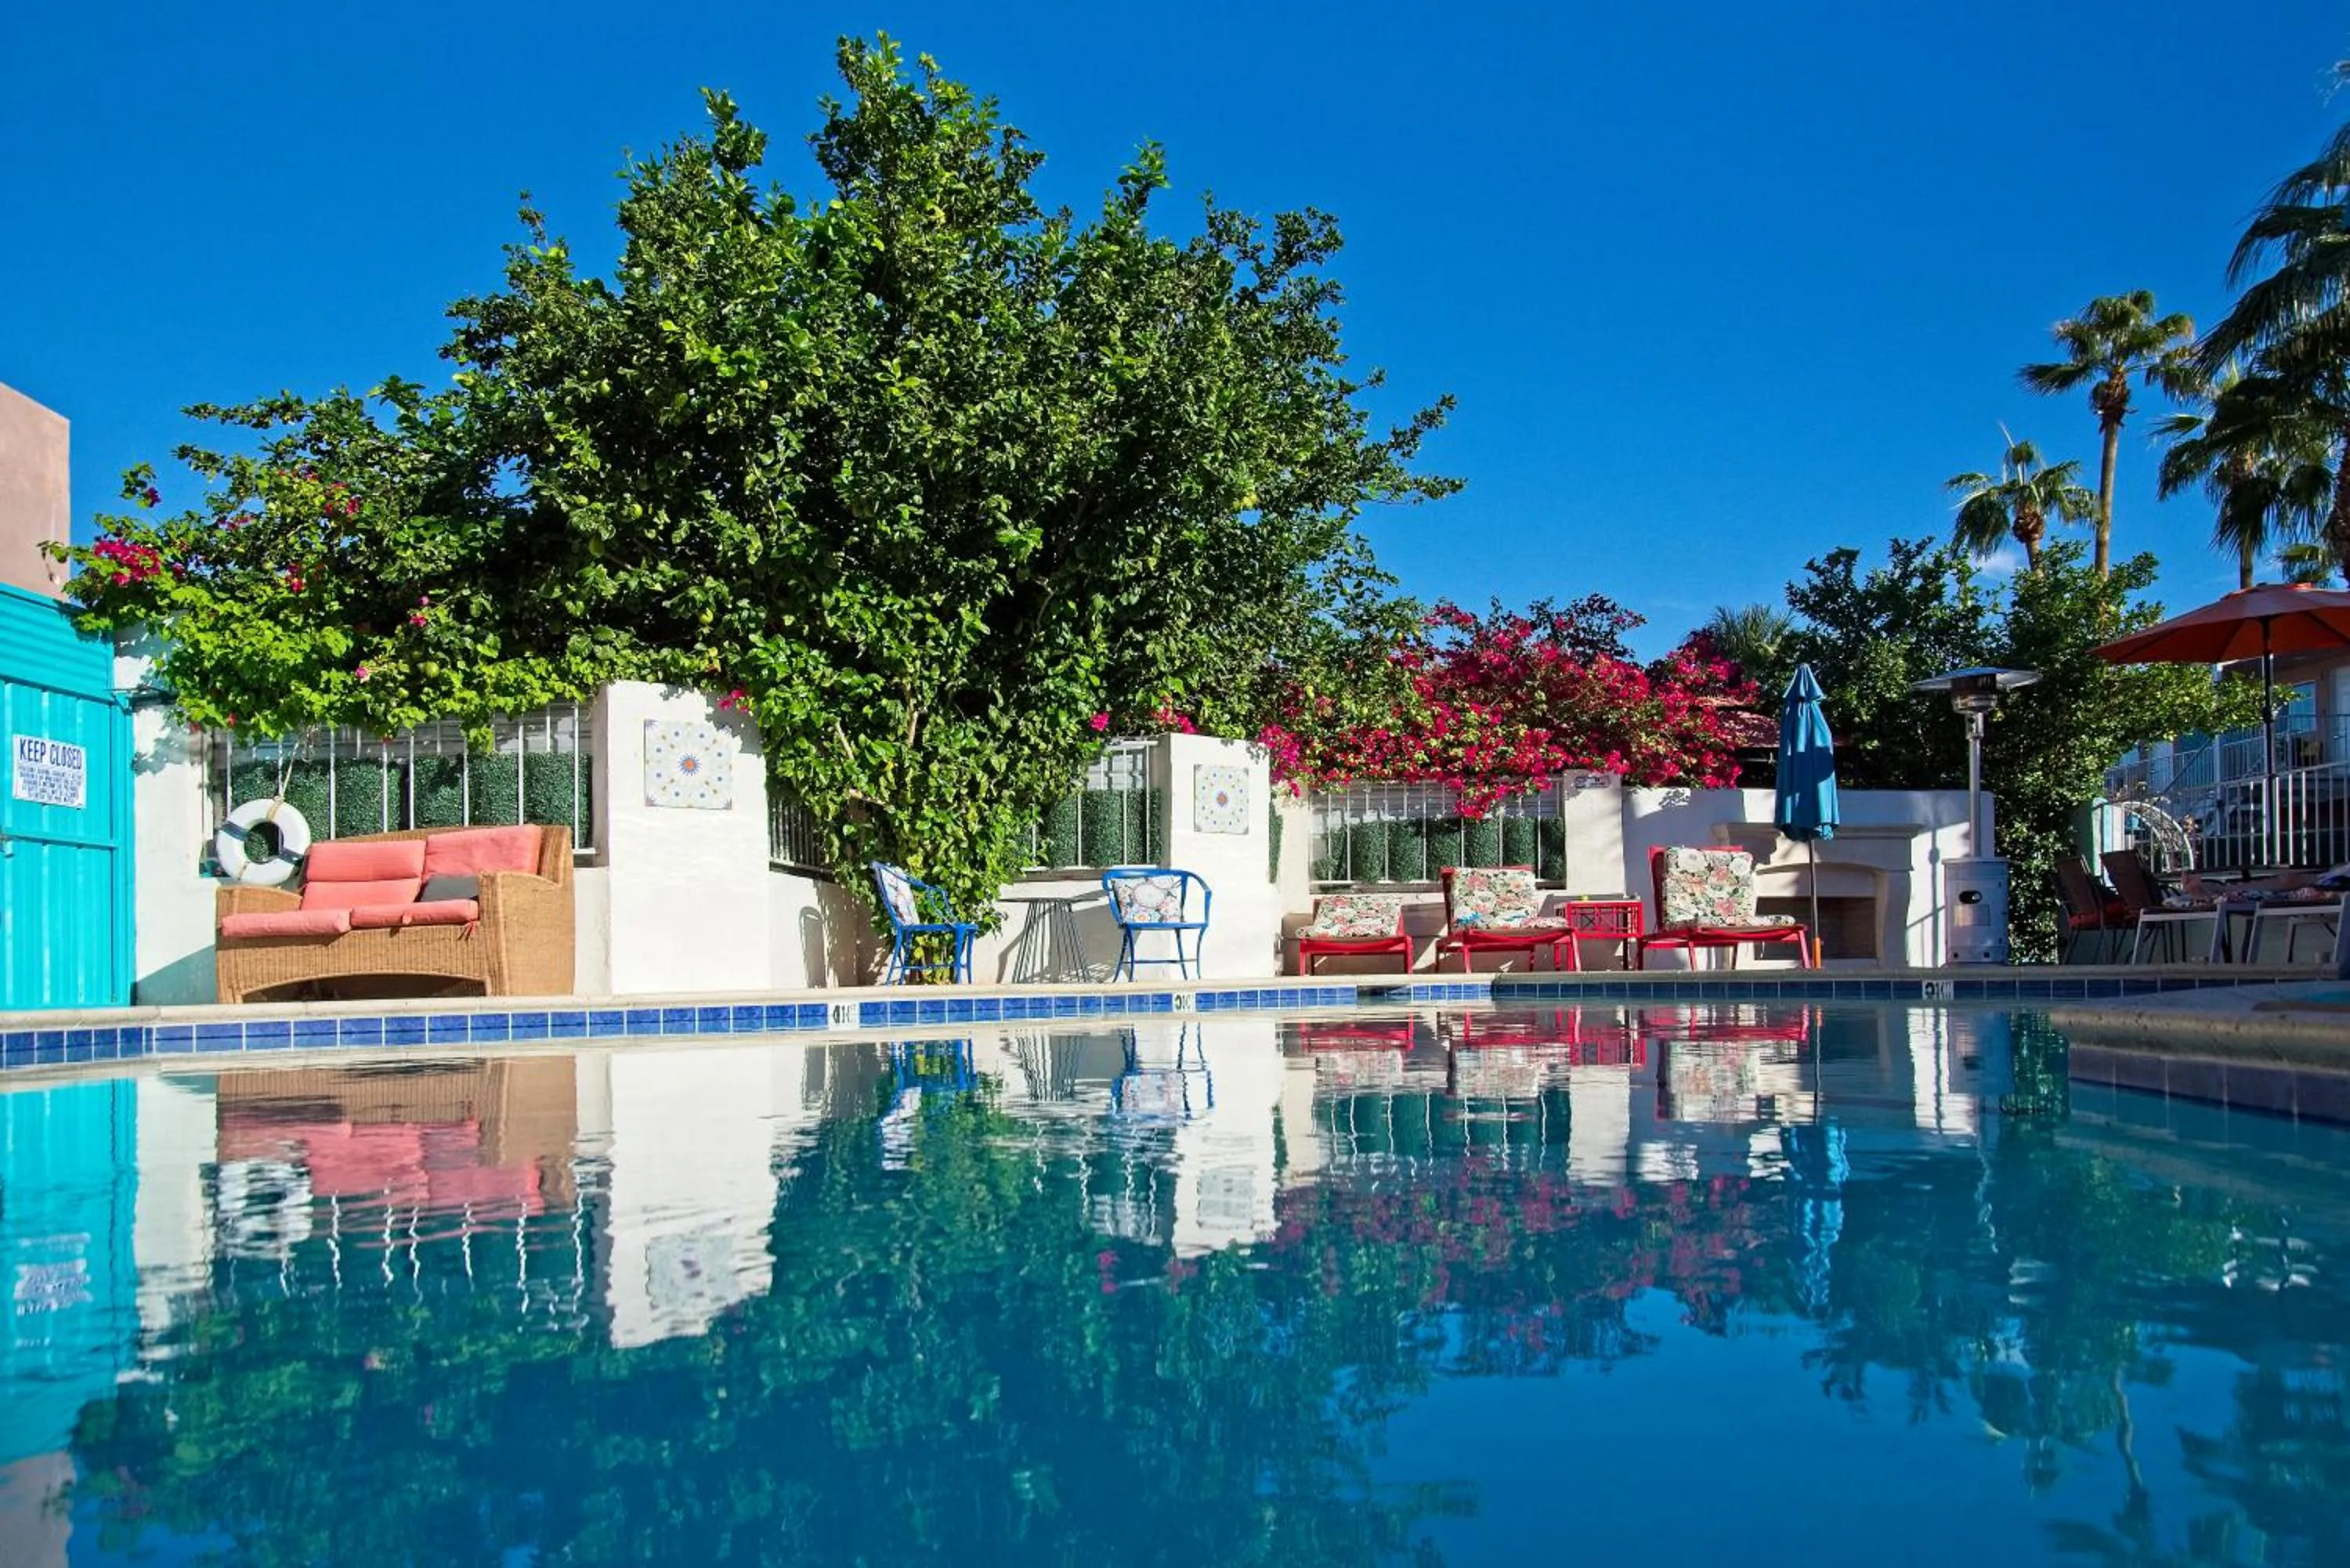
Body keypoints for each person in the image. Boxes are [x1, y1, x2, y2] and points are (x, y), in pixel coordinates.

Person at [2181, 861, 2350, 901]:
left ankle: (2219, 891)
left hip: (2335, 888)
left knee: (2289, 884)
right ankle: (2221, 890)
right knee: (2289, 880)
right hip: (2333, 880)